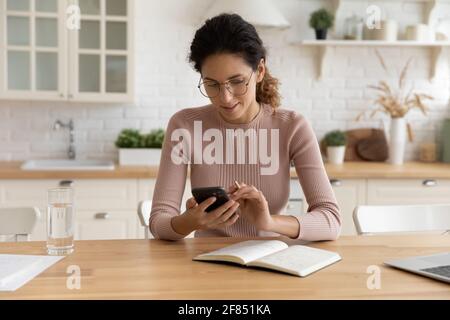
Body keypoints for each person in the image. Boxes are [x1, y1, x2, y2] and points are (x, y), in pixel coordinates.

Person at [149, 13, 341, 241]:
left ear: (259, 71)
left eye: (237, 81)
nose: (226, 98)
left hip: (271, 261)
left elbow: (331, 220)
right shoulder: (185, 126)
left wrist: (270, 222)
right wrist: (189, 221)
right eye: (212, 84)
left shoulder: (292, 127)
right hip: (206, 265)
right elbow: (159, 220)